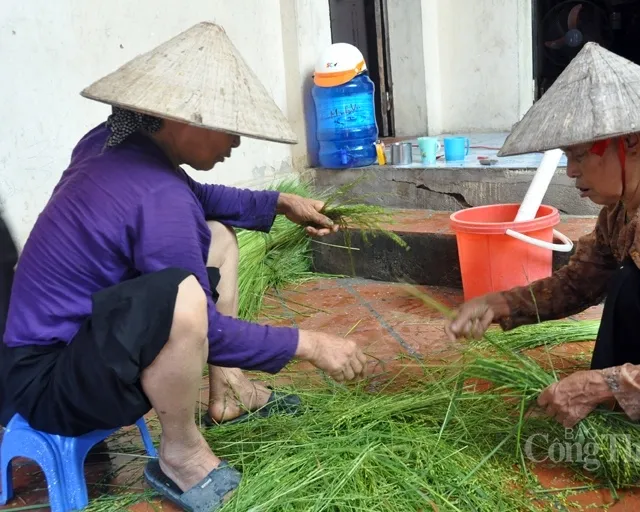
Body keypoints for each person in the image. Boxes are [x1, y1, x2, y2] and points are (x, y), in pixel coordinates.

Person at [1, 22, 367, 511]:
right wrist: (312, 344)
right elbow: (206, 330)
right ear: (184, 120)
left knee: (218, 236)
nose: (235, 143)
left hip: (60, 347)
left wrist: (280, 201)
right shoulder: (159, 198)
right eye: (228, 128)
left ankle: (230, 392)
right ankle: (182, 452)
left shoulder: (112, 142)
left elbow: (198, 195)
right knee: (185, 299)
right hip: (52, 383)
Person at [446, 42, 640, 455]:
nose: (570, 171)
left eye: (580, 156)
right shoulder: (628, 206)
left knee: (631, 285)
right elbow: (581, 283)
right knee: (628, 282)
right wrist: (501, 303)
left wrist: (596, 387)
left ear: (629, 143)